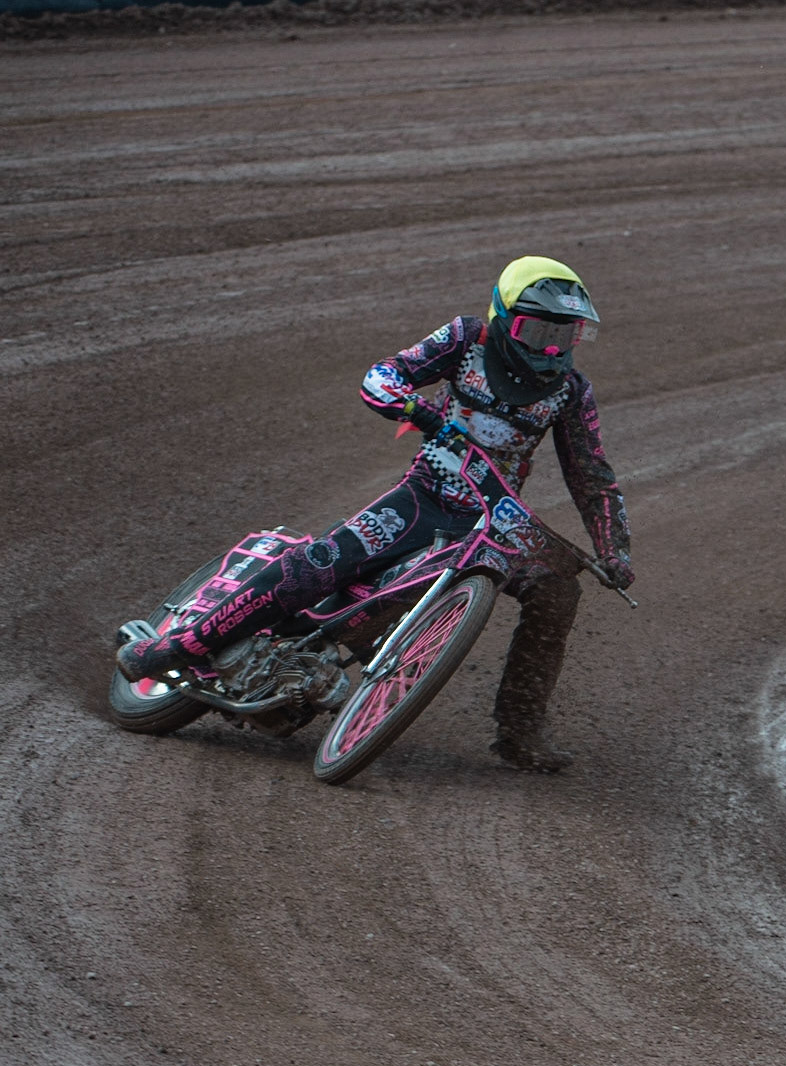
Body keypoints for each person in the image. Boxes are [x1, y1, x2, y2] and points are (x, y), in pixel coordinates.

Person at [117, 256, 634, 772]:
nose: (550, 347)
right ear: (502, 317)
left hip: (494, 518)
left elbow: (592, 476)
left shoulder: (572, 391)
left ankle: (520, 731)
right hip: (425, 496)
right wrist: (418, 410)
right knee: (318, 564)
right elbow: (382, 377)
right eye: (538, 329)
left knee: (559, 589)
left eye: (565, 335)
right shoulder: (465, 338)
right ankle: (174, 649)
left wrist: (614, 550)